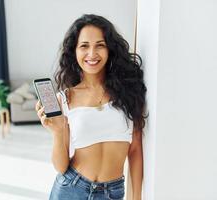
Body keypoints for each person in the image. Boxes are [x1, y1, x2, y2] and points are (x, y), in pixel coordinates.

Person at [35, 14, 146, 200]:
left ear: (110, 49)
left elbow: (135, 149)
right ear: (75, 51)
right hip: (71, 188)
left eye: (100, 45)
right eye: (84, 46)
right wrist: (57, 132)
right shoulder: (65, 98)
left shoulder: (128, 91)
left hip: (112, 192)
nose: (92, 54)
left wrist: (136, 197)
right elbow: (61, 167)